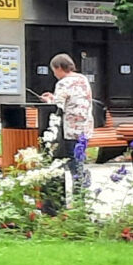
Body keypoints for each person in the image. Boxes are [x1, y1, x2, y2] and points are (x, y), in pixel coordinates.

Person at [48, 54, 94, 208]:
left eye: (54, 70)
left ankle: (78, 201)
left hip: (70, 130)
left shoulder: (63, 83)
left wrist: (49, 99)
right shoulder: (83, 79)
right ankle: (81, 198)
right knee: (79, 161)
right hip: (85, 128)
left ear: (59, 68)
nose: (54, 74)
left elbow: (58, 106)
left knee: (74, 166)